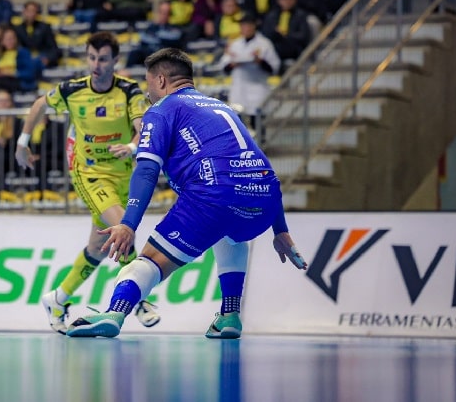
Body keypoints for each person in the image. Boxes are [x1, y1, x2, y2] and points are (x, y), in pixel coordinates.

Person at [65, 48, 307, 339]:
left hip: (212, 196)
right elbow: (259, 166)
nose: (147, 91)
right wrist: (279, 229)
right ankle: (230, 315)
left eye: (148, 82)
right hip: (263, 200)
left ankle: (115, 312)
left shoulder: (162, 109)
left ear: (162, 81)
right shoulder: (220, 107)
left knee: (149, 262)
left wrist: (129, 223)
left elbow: (145, 170)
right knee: (229, 233)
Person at [14, 31, 159, 334]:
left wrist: (132, 147)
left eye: (103, 58)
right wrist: (22, 142)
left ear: (115, 60)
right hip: (89, 173)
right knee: (124, 231)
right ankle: (138, 300)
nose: (96, 64)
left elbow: (141, 127)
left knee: (96, 248)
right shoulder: (73, 90)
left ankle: (57, 299)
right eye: (92, 57)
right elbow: (41, 104)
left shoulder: (129, 91)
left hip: (123, 175)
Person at [220, 13, 281, 130]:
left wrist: (260, 62)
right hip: (239, 88)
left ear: (254, 26)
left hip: (258, 88)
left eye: (248, 25)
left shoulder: (264, 44)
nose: (246, 28)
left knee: (257, 125)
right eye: (243, 25)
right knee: (238, 127)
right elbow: (224, 67)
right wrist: (233, 64)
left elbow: (274, 68)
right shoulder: (235, 44)